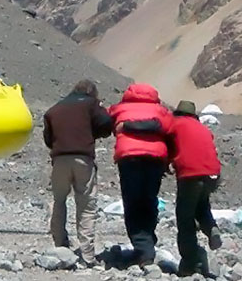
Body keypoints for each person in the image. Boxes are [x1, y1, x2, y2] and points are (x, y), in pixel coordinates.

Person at [42, 79, 113, 265]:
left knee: (59, 200)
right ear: (92, 92)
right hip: (83, 159)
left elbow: (48, 138)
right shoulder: (91, 104)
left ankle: (60, 245)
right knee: (86, 205)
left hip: (59, 160)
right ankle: (88, 255)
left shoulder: (55, 109)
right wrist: (92, 134)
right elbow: (106, 123)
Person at [107, 83, 174, 266]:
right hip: (155, 159)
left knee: (132, 202)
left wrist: (127, 125)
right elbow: (170, 129)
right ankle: (147, 242)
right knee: (149, 199)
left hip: (129, 159)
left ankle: (143, 249)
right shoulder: (161, 111)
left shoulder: (119, 109)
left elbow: (106, 121)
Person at [166, 100, 223, 277]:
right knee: (201, 205)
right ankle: (211, 228)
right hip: (212, 174)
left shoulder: (175, 124)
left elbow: (167, 144)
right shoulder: (203, 128)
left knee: (185, 218)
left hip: (190, 175)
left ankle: (190, 263)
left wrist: (165, 163)